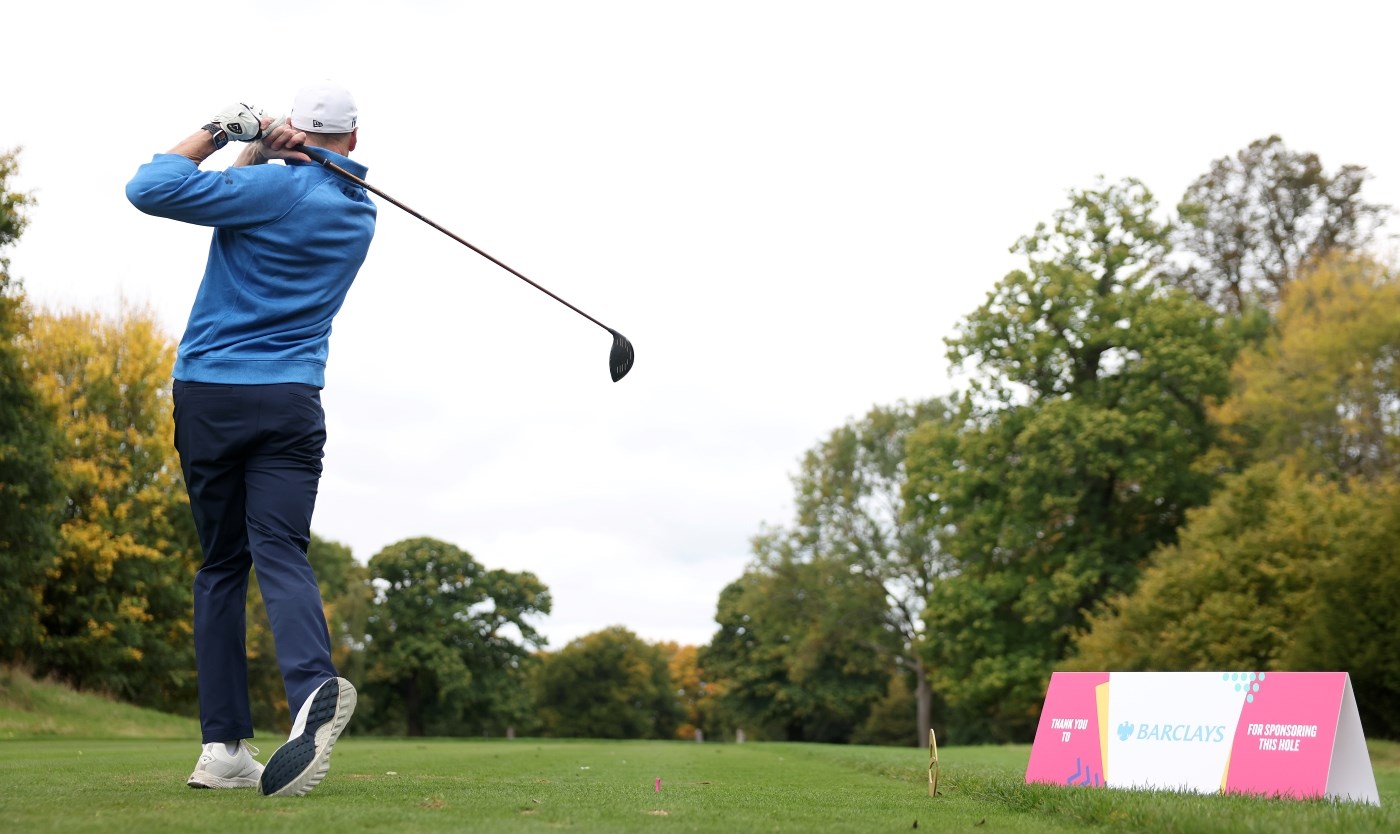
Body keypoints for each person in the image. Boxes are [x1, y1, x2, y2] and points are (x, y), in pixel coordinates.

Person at [125, 81, 376, 797]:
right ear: (354, 143)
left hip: (210, 395)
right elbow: (232, 211)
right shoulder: (359, 214)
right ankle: (309, 691)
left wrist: (226, 130)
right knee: (280, 551)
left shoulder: (274, 191)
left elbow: (151, 187)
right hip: (292, 401)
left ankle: (224, 743)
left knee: (221, 566)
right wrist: (264, 154)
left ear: (298, 130)